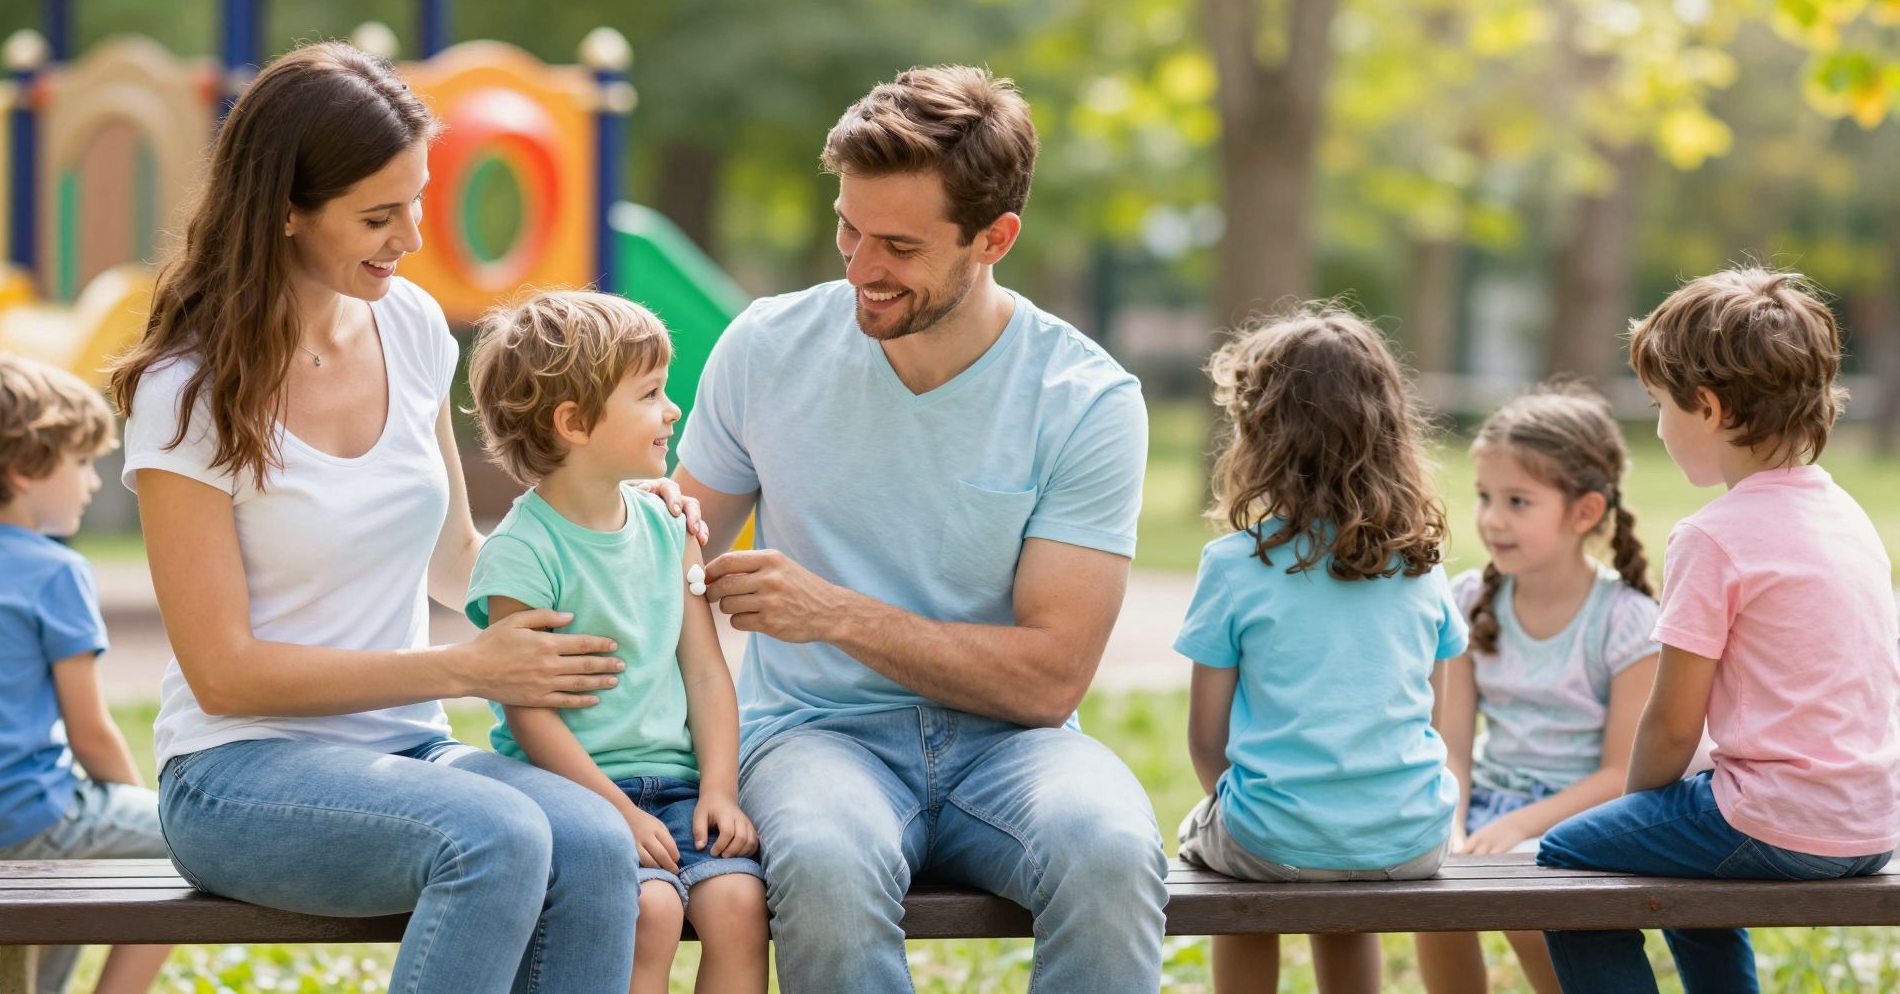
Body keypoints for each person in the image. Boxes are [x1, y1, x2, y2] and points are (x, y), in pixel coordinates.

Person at [110, 41, 703, 994]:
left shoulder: (414, 326)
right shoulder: (189, 391)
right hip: (236, 775)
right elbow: (222, 674)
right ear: (287, 214)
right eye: (378, 216)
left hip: (407, 752)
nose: (413, 236)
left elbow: (460, 560)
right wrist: (462, 667)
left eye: (417, 200)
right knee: (499, 835)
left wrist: (622, 518)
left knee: (595, 840)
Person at [672, 65, 1169, 993]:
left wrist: (836, 615)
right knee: (821, 862)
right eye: (848, 230)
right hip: (815, 736)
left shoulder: (1085, 400)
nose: (860, 269)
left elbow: (1050, 674)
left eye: (898, 245)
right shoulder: (766, 349)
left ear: (995, 238)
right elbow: (662, 555)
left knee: (1110, 850)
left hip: (1013, 748)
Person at [1537, 268, 1900, 993]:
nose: (1659, 425)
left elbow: (1672, 725)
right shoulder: (1846, 513)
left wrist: (1638, 807)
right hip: (1871, 820)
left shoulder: (1714, 536)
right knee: (1683, 831)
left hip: (1781, 822)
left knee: (1567, 857)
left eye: (1659, 406)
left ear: (1706, 407)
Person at [463, 290, 767, 994]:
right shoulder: (521, 554)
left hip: (683, 790)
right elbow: (529, 714)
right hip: (581, 795)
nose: (674, 410)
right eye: (652, 394)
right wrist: (617, 811)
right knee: (651, 911)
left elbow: (707, 675)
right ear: (574, 422)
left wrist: (720, 789)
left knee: (738, 905)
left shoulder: (670, 529)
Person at [1175, 304, 1464, 994]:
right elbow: (1434, 720)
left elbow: (1205, 741)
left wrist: (1277, 819)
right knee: (1343, 884)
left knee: (1226, 869)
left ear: (1259, 436)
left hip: (1272, 835)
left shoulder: (1233, 564)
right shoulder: (1422, 563)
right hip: (1411, 836)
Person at [0, 355, 174, 994]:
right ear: (24, 469)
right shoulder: (55, 571)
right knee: (197, 849)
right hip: (17, 820)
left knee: (71, 858)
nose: (93, 482)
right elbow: (91, 735)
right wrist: (154, 808)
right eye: (80, 463)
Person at [1414, 382, 1661, 994]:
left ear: (1584, 512)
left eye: (1518, 501)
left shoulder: (1625, 620)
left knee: (1529, 909)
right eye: (1484, 496)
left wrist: (1522, 826)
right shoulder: (1468, 600)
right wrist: (1451, 826)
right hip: (1488, 809)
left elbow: (1620, 774)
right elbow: (1450, 745)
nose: (1493, 518)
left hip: (1583, 820)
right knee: (1430, 903)